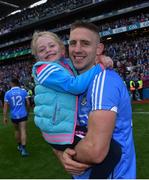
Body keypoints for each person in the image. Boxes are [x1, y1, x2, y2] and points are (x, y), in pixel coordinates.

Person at [31, 31, 121, 179]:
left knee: (94, 153)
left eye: (51, 45)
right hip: (59, 131)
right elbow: (75, 86)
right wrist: (99, 67)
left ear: (61, 49)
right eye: (41, 50)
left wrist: (100, 58)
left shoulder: (65, 64)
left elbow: (83, 65)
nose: (47, 50)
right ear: (37, 57)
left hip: (62, 127)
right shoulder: (45, 69)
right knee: (112, 151)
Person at [53, 20, 136, 179]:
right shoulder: (73, 83)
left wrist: (66, 155)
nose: (77, 49)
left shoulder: (103, 82)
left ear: (98, 49)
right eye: (73, 43)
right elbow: (58, 130)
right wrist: (59, 151)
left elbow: (95, 151)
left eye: (85, 43)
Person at [3, 78, 30, 157]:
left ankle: (19, 146)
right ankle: (24, 150)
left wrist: (5, 117)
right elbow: (28, 103)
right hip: (23, 114)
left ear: (12, 83)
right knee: (23, 130)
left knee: (16, 130)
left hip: (14, 115)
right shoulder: (23, 91)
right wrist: (27, 111)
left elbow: (5, 106)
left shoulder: (8, 93)